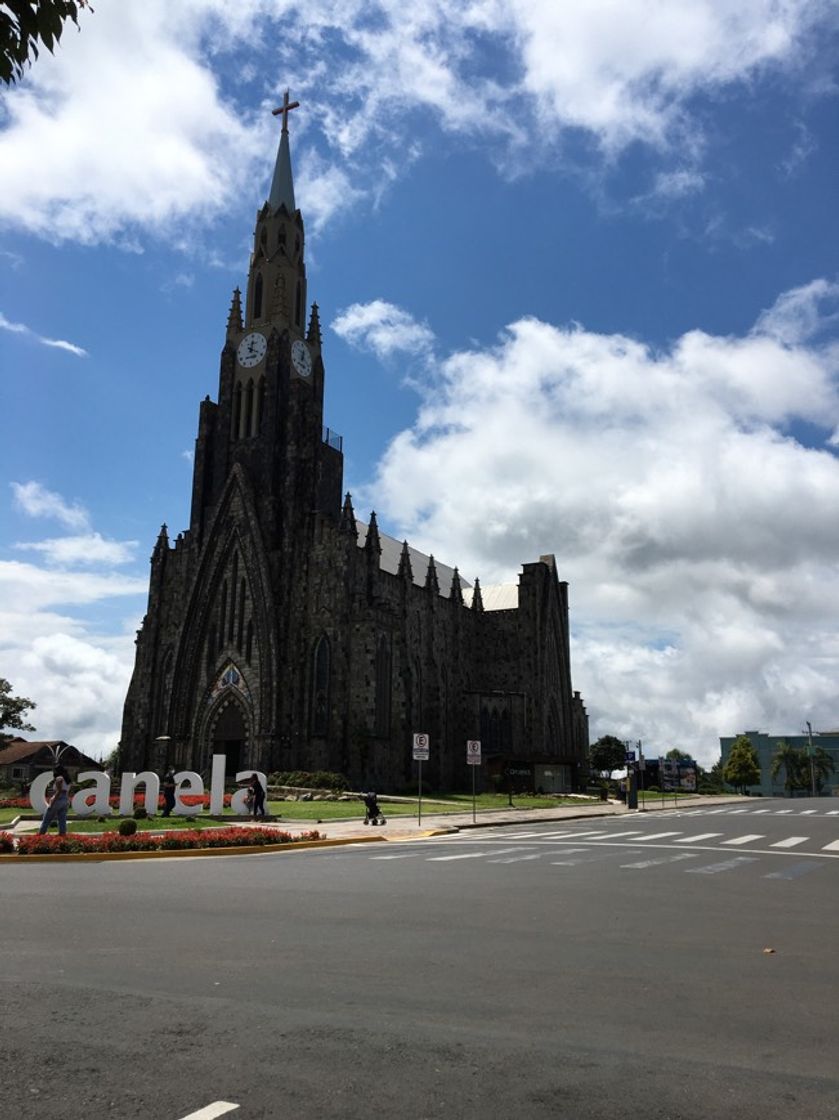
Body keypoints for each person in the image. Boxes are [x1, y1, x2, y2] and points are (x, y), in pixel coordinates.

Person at [39, 765, 72, 836]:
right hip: (65, 800)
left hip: (58, 799)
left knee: (47, 818)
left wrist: (52, 802)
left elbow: (59, 791)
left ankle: (41, 835)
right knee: (62, 820)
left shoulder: (59, 778)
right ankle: (62, 835)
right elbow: (67, 791)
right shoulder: (68, 780)